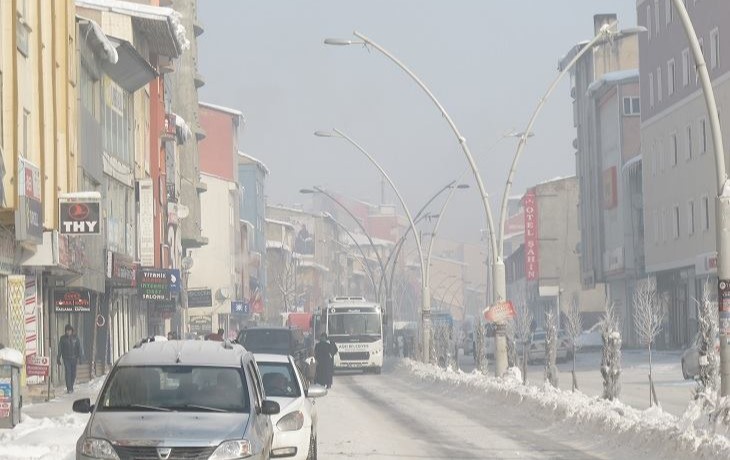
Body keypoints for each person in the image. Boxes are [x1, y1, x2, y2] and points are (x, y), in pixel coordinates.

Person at [57, 324, 82, 393]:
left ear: (72, 331)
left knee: (73, 373)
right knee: (68, 372)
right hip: (66, 358)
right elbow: (60, 349)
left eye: (69, 331)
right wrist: (58, 358)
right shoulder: (62, 338)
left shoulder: (76, 338)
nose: (68, 332)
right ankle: (69, 388)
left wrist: (80, 358)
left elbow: (79, 348)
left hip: (74, 358)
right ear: (65, 331)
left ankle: (71, 385)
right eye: (67, 331)